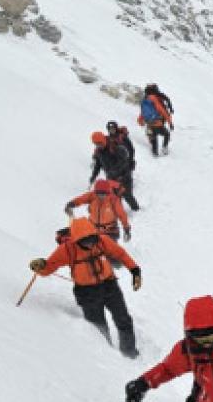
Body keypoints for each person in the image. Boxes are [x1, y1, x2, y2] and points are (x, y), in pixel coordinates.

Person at [29, 217, 142, 357]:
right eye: (84, 241)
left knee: (123, 318)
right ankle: (107, 357)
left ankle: (129, 351)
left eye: (92, 239)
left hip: (109, 285)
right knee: (98, 327)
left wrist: (135, 270)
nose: (90, 243)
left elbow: (120, 253)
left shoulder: (102, 241)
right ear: (76, 239)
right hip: (87, 293)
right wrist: (40, 266)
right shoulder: (66, 250)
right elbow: (49, 268)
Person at [65, 179, 131, 243]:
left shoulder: (114, 200)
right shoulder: (92, 196)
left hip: (110, 231)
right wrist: (71, 204)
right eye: (99, 194)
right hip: (93, 229)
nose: (101, 196)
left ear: (108, 192)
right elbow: (81, 199)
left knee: (109, 250)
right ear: (96, 192)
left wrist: (126, 229)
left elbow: (122, 215)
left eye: (104, 194)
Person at [90, 131, 139, 211]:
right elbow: (98, 165)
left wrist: (114, 172)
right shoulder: (99, 151)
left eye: (100, 143)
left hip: (124, 176)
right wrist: (93, 176)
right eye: (96, 144)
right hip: (111, 178)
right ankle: (118, 212)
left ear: (103, 140)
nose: (99, 145)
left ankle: (136, 210)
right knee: (114, 197)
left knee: (127, 195)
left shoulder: (116, 147)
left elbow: (124, 162)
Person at [138, 85, 173, 156]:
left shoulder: (145, 100)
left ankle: (155, 154)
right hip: (158, 124)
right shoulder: (155, 99)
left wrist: (140, 122)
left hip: (149, 125)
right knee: (167, 134)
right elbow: (164, 111)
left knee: (153, 140)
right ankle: (164, 148)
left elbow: (142, 113)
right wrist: (170, 123)